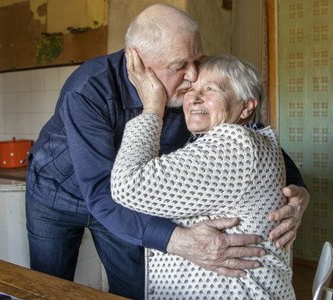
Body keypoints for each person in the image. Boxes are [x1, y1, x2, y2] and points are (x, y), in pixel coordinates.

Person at [25, 3, 309, 299]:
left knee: (134, 288)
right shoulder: (88, 90)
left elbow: (249, 137)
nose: (193, 75)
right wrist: (178, 241)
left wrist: (297, 190)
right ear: (138, 61)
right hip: (56, 194)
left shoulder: (190, 89)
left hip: (126, 202)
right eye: (180, 66)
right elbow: (100, 191)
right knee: (47, 288)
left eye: (196, 60)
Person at [112, 51, 295, 299]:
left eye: (210, 89)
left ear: (246, 106)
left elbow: (128, 185)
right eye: (190, 90)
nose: (195, 98)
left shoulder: (234, 144)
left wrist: (153, 107)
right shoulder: (254, 141)